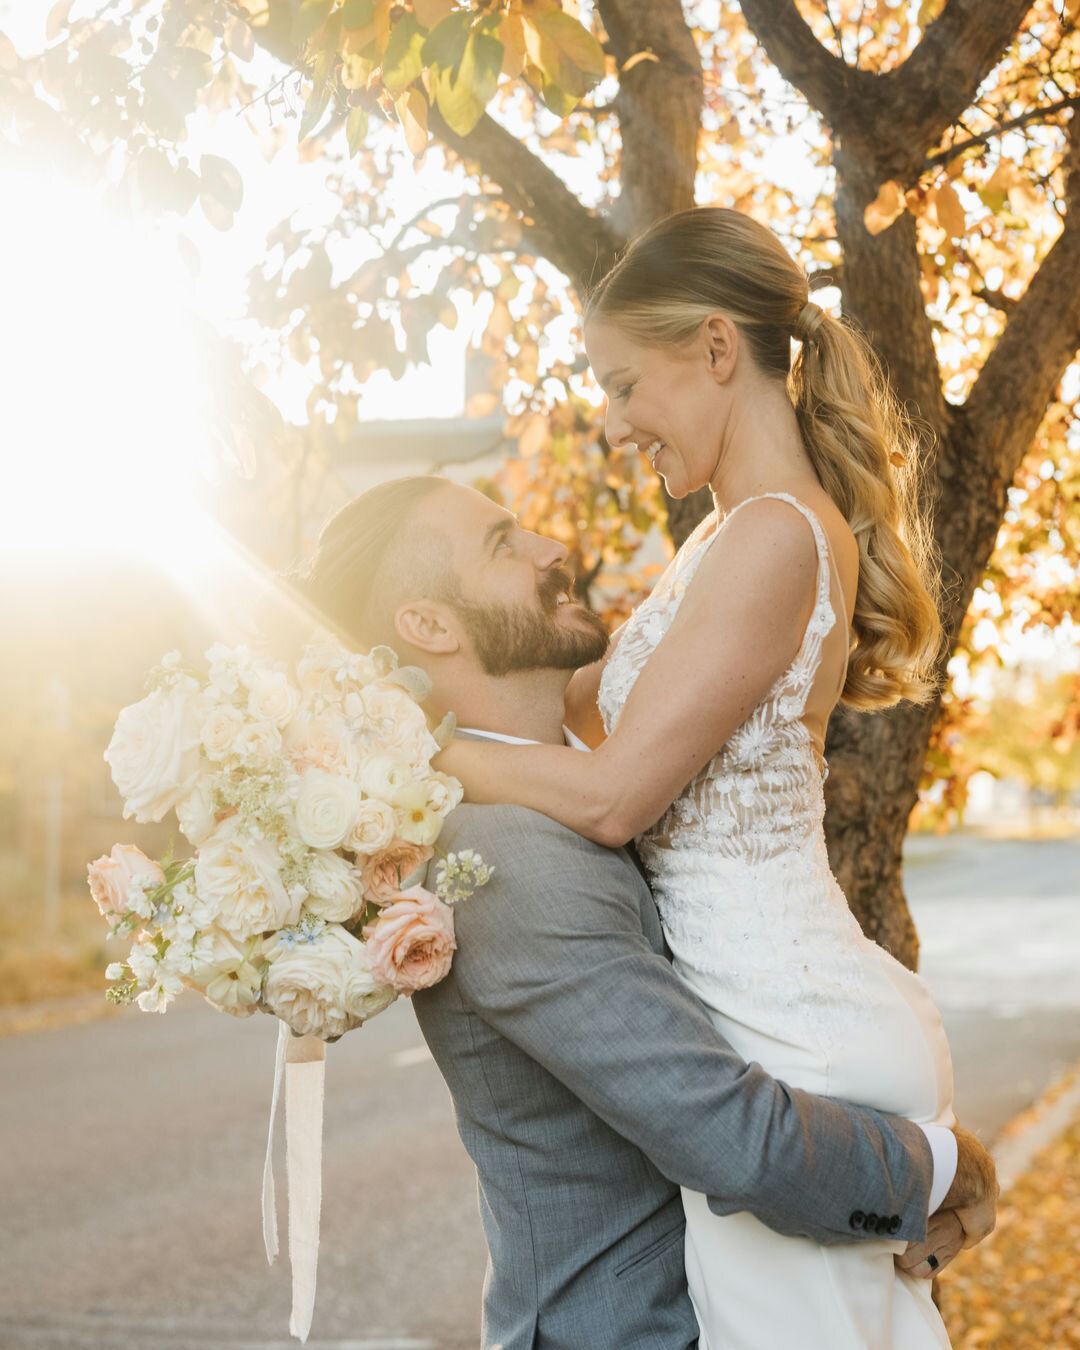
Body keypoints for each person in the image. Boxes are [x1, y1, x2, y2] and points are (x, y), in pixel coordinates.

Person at [301, 473, 996, 1350]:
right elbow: (731, 1138)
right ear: (430, 625)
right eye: (501, 545)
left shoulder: (591, 784)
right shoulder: (505, 856)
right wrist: (939, 1170)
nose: (552, 549)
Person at [435, 206, 965, 1348]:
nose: (619, 424)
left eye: (628, 385)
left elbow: (618, 796)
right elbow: (566, 713)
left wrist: (419, 759)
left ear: (718, 348)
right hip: (763, 1008)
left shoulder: (775, 533)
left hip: (788, 1024)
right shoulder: (719, 542)